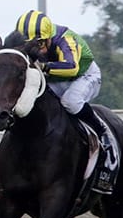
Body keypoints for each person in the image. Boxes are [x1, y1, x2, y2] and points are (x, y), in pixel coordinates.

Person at [14, 10, 116, 169]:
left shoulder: (65, 39)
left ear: (48, 38)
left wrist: (45, 67)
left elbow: (72, 67)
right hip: (56, 78)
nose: (37, 51)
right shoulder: (21, 39)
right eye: (30, 45)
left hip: (83, 75)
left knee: (70, 101)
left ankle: (102, 131)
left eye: (40, 44)